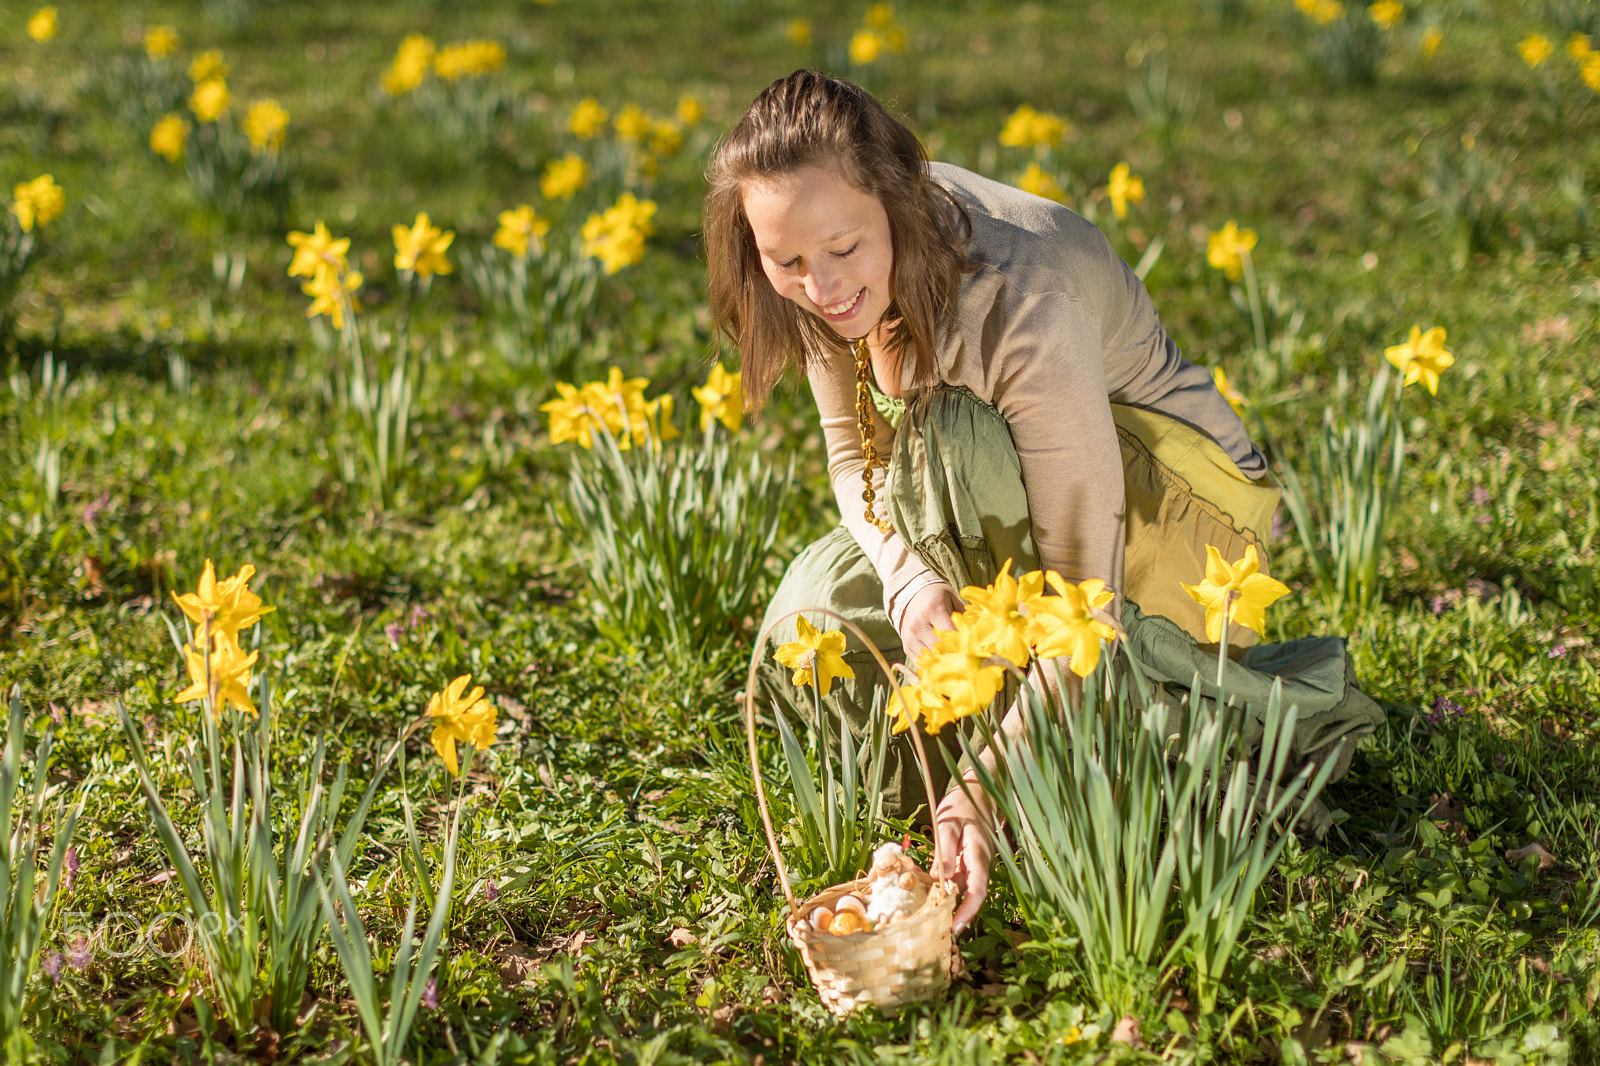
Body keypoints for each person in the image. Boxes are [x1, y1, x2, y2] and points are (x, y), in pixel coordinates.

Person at [705, 71, 1383, 934]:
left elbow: (1083, 601)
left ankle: (1123, 717)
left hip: (1165, 514)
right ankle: (1023, 727)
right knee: (811, 619)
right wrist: (911, 582)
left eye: (843, 250)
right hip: (1003, 509)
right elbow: (854, 459)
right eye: (786, 260)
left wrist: (981, 795)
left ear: (897, 203)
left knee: (956, 436)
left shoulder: (1020, 303)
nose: (822, 284)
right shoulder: (815, 273)